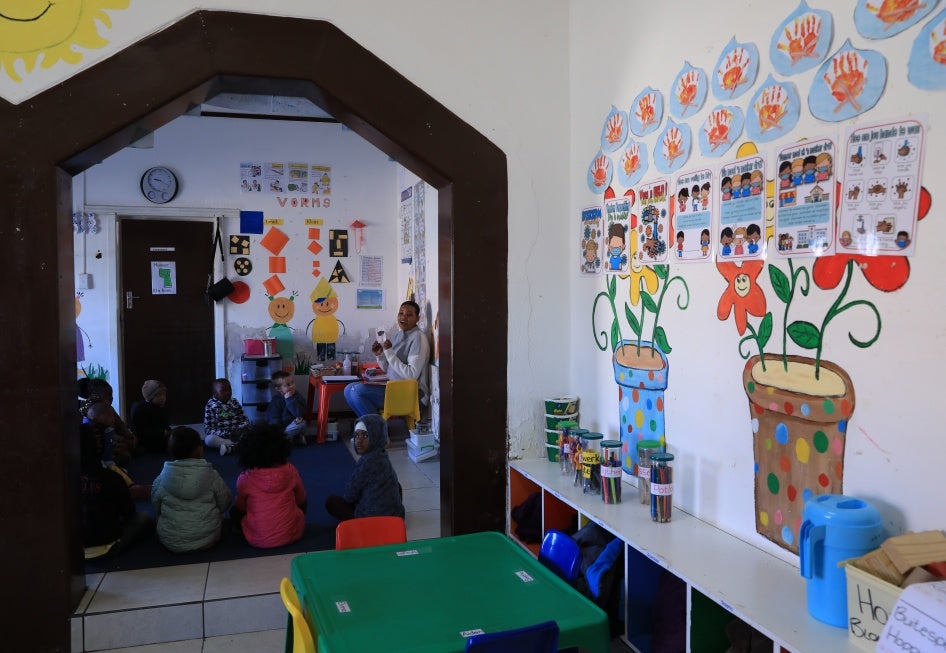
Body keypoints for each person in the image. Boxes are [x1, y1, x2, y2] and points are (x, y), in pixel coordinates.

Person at [150, 426, 232, 553]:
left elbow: (156, 506)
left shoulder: (161, 479)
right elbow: (225, 501)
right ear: (199, 450)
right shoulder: (211, 475)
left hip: (171, 541)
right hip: (208, 538)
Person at [344, 301, 429, 417]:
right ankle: (373, 428)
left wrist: (389, 353)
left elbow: (411, 374)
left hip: (412, 395)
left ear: (417, 318)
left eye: (409, 315)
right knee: (348, 389)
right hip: (396, 389)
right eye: (401, 313)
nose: (403, 317)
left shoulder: (418, 338)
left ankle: (377, 429)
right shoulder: (399, 335)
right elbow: (390, 369)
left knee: (356, 391)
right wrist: (380, 356)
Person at [79, 423, 152, 559]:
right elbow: (129, 513)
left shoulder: (62, 481)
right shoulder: (112, 477)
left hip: (71, 550)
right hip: (107, 547)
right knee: (144, 517)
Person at [231, 423, 307, 548]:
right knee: (302, 504)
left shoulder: (245, 478)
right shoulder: (290, 470)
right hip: (293, 534)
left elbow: (241, 507)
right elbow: (301, 499)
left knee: (235, 512)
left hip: (257, 539)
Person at [325, 414, 405, 522]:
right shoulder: (383, 455)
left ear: (376, 436)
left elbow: (350, 495)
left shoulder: (366, 462)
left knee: (332, 502)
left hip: (371, 521)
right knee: (396, 486)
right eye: (356, 435)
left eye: (365, 436)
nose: (359, 440)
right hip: (395, 518)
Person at [203, 378, 250, 455]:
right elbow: (208, 429)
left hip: (238, 434)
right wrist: (227, 433)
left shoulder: (234, 402)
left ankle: (231, 447)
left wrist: (239, 430)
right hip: (222, 436)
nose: (227, 393)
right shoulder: (210, 406)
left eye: (229, 390)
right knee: (209, 440)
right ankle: (236, 445)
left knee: (252, 433)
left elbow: (245, 420)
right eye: (223, 391)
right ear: (214, 393)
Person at [130, 379, 171, 454]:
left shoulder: (161, 407)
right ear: (150, 397)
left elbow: (165, 425)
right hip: (148, 441)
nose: (163, 397)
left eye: (164, 394)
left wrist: (168, 432)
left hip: (161, 437)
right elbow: (141, 432)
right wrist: (163, 433)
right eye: (159, 395)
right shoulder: (141, 409)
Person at [265, 371, 306, 444]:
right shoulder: (276, 400)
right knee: (270, 430)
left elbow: (299, 413)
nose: (292, 386)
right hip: (281, 429)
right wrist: (278, 430)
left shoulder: (297, 397)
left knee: (302, 423)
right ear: (278, 389)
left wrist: (289, 399)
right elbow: (273, 417)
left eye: (292, 383)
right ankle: (285, 438)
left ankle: (287, 438)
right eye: (288, 385)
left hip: (292, 426)